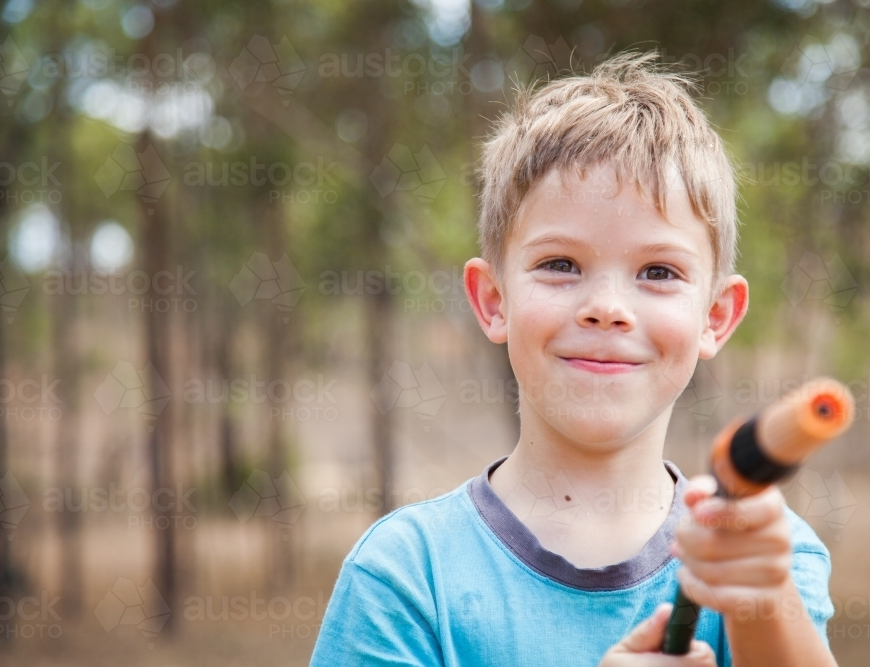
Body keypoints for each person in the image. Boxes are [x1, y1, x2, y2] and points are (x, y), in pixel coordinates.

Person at [308, 52, 836, 667]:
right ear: (493, 299)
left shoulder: (772, 557)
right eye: (560, 265)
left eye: (658, 271)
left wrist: (761, 600)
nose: (607, 308)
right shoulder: (406, 574)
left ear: (715, 316)